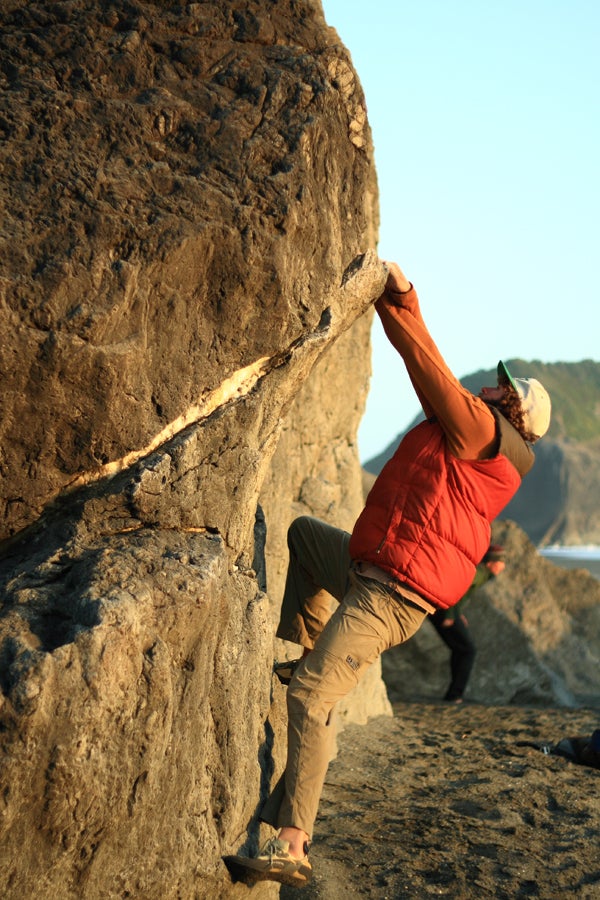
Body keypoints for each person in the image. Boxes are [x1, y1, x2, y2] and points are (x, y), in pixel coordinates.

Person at [224, 261, 552, 888]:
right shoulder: (470, 432)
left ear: (514, 413)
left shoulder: (485, 434)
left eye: (507, 389)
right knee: (304, 537)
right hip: (374, 568)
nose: (496, 386)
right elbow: (438, 384)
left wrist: (398, 296)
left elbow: (426, 365)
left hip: (391, 593)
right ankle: (314, 649)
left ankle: (292, 844)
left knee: (311, 697)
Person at [430, 543, 505, 703]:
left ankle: (453, 694)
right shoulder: (479, 573)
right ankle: (455, 695)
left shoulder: (483, 573)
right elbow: (459, 587)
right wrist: (450, 615)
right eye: (500, 562)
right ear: (490, 563)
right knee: (468, 650)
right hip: (444, 611)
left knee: (461, 650)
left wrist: (458, 614)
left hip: (447, 610)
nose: (503, 566)